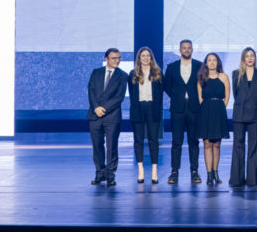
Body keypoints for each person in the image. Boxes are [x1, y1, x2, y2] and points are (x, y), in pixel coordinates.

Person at [86, 48, 127, 186]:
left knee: (112, 146)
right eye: (114, 58)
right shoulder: (96, 72)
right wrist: (96, 107)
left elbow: (119, 97)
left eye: (119, 58)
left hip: (112, 116)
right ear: (106, 59)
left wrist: (104, 108)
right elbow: (91, 91)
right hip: (95, 115)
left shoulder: (122, 75)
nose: (117, 61)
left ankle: (110, 175)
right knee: (97, 145)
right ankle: (100, 173)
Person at [163, 39, 202, 185]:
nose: (186, 50)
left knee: (194, 141)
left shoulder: (199, 65)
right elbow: (167, 86)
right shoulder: (172, 67)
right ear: (180, 50)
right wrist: (177, 96)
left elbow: (203, 84)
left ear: (192, 50)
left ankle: (194, 171)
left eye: (189, 48)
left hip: (194, 108)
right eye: (184, 48)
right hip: (177, 109)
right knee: (176, 142)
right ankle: (174, 172)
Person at [229, 47, 257, 188]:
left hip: (255, 114)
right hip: (239, 114)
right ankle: (237, 179)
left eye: (252, 56)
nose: (250, 58)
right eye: (247, 56)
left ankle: (252, 179)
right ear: (243, 58)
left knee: (253, 146)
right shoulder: (236, 74)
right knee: (238, 146)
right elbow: (236, 94)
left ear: (255, 58)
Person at [128, 46, 163, 184]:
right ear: (139, 58)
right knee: (138, 140)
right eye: (143, 55)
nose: (146, 58)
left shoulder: (158, 73)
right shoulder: (133, 74)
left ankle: (154, 171)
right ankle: (141, 170)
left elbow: (161, 92)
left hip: (153, 108)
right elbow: (132, 93)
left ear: (151, 58)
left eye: (148, 55)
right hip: (138, 108)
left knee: (153, 140)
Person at [196, 52, 230, 186]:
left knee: (216, 144)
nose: (212, 62)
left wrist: (220, 108)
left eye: (214, 60)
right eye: (209, 60)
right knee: (207, 143)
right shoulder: (201, 78)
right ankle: (209, 175)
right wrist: (206, 109)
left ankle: (216, 173)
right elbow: (200, 98)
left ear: (218, 62)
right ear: (206, 63)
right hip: (205, 112)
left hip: (219, 111)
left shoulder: (224, 77)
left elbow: (227, 95)